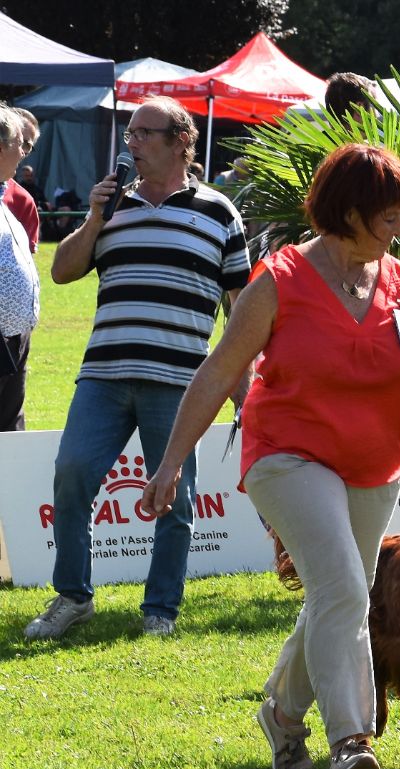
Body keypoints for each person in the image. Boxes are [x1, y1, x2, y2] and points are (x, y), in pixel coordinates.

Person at [141, 142, 400, 769]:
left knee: (336, 597)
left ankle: (282, 714)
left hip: (374, 466)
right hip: (286, 455)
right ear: (349, 213)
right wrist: (171, 463)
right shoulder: (278, 281)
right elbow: (220, 371)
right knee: (345, 588)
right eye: (390, 216)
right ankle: (351, 741)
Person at [24, 97, 250, 641]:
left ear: (181, 141)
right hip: (103, 376)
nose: (133, 144)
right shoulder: (112, 205)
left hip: (180, 383)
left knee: (175, 497)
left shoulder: (219, 212)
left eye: (145, 133)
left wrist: (241, 383)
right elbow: (62, 271)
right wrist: (94, 218)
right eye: (130, 134)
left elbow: (240, 309)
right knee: (72, 474)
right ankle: (73, 596)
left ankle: (160, 610)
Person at [0, 103, 40, 432]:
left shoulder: (10, 196)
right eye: (19, 143)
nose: (23, 152)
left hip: (14, 337)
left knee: (10, 434)